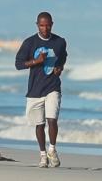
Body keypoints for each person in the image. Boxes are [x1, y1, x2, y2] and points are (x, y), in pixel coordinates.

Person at [15, 11, 68, 168]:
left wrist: (60, 67)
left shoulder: (60, 42)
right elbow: (18, 64)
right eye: (42, 25)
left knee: (52, 120)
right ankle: (43, 155)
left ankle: (52, 149)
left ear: (52, 24)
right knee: (39, 124)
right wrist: (36, 61)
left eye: (48, 25)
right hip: (35, 89)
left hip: (53, 86)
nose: (45, 28)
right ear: (37, 25)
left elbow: (63, 56)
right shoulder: (30, 43)